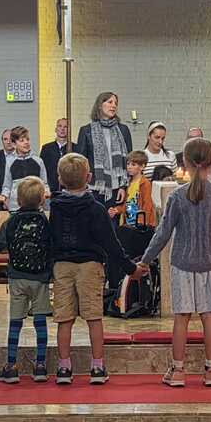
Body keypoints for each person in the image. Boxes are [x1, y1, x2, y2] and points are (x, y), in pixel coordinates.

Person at [138, 138, 211, 388]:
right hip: (210, 264)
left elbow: (162, 233)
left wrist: (145, 261)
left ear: (186, 163)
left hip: (182, 263)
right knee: (209, 317)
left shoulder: (177, 196)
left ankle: (178, 370)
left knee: (181, 318)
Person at [50, 153, 143, 385]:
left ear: (59, 178)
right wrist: (130, 268)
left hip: (62, 266)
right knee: (94, 318)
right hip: (90, 267)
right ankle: (97, 367)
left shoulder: (56, 207)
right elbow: (111, 243)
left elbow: (51, 239)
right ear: (89, 177)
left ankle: (63, 368)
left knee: (64, 319)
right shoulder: (96, 208)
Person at [0, 176, 52, 384]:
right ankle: (40, 366)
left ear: (18, 200)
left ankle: (11, 366)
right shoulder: (45, 222)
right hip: (40, 278)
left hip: (17, 277)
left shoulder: (11, 222)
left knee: (15, 322)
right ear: (42, 200)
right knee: (40, 322)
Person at [75, 92, 132, 216]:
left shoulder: (123, 130)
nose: (113, 106)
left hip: (117, 187)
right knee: (94, 222)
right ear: (100, 105)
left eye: (115, 103)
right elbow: (81, 162)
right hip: (94, 187)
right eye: (110, 102)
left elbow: (129, 161)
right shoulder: (86, 130)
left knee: (113, 224)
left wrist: (123, 187)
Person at [0, 126, 48, 212]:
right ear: (14, 144)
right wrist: (4, 196)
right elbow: (7, 185)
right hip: (15, 207)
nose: (26, 142)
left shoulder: (38, 161)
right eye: (22, 140)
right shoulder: (10, 162)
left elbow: (44, 183)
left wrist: (46, 192)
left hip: (36, 206)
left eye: (27, 139)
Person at [40, 117, 73, 194]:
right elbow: (42, 169)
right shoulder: (46, 148)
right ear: (56, 129)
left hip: (70, 190)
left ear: (69, 130)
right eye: (60, 126)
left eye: (65, 127)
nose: (62, 129)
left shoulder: (75, 148)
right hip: (51, 189)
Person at [0, 128, 15, 197]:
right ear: (2, 141)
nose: (8, 142)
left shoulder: (22, 156)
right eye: (5, 139)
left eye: (11, 139)